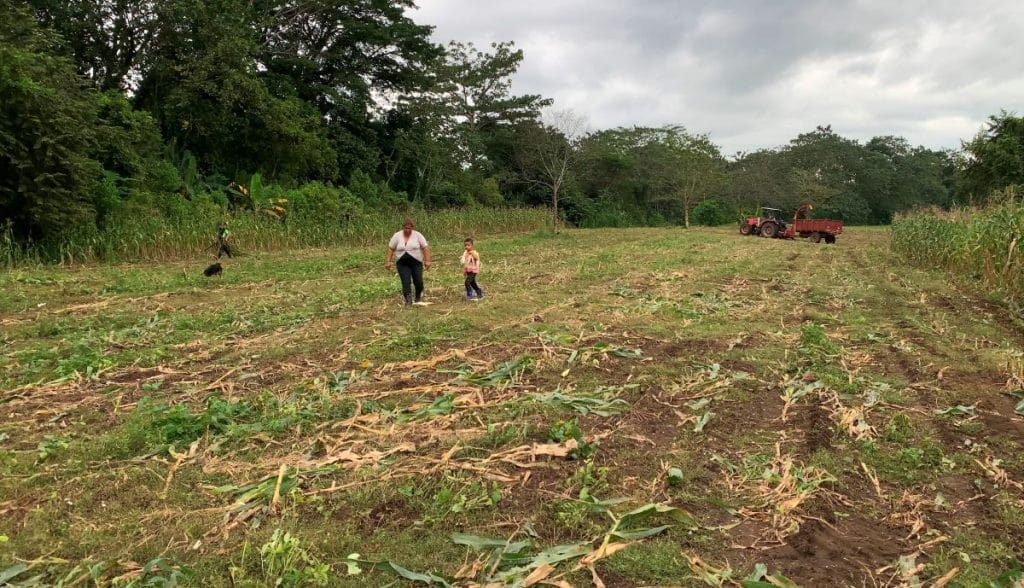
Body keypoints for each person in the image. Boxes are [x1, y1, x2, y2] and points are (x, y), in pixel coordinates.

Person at [386, 218, 432, 306]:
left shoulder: (418, 235)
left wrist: (427, 260)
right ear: (403, 227)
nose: (407, 230)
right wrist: (388, 261)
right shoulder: (397, 236)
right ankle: (408, 300)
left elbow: (425, 248)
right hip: (402, 263)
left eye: (409, 228)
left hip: (416, 262)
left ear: (412, 228)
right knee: (406, 281)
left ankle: (418, 295)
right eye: (406, 228)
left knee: (418, 281)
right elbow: (391, 248)